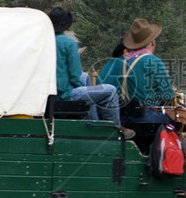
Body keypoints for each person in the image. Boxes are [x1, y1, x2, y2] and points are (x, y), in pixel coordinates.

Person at [48, 7, 134, 139]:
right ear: (65, 24)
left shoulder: (45, 41)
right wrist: (79, 87)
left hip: (48, 92)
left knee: (85, 79)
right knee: (110, 91)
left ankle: (92, 122)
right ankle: (115, 128)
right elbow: (74, 75)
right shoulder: (69, 43)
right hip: (63, 95)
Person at [98, 18, 175, 126]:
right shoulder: (154, 61)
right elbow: (168, 95)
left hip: (125, 115)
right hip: (148, 115)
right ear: (152, 42)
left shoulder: (123, 62)